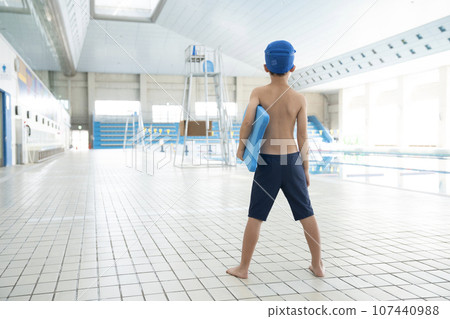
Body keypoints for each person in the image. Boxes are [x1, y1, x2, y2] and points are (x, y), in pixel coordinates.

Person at [226, 40, 324, 279]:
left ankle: (244, 268)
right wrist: (306, 169)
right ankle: (318, 265)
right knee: (306, 214)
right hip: (291, 162)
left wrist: (241, 147)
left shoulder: (259, 93)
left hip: (267, 162)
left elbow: (248, 122)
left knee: (255, 216)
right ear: (292, 68)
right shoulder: (299, 98)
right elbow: (302, 136)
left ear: (265, 67)